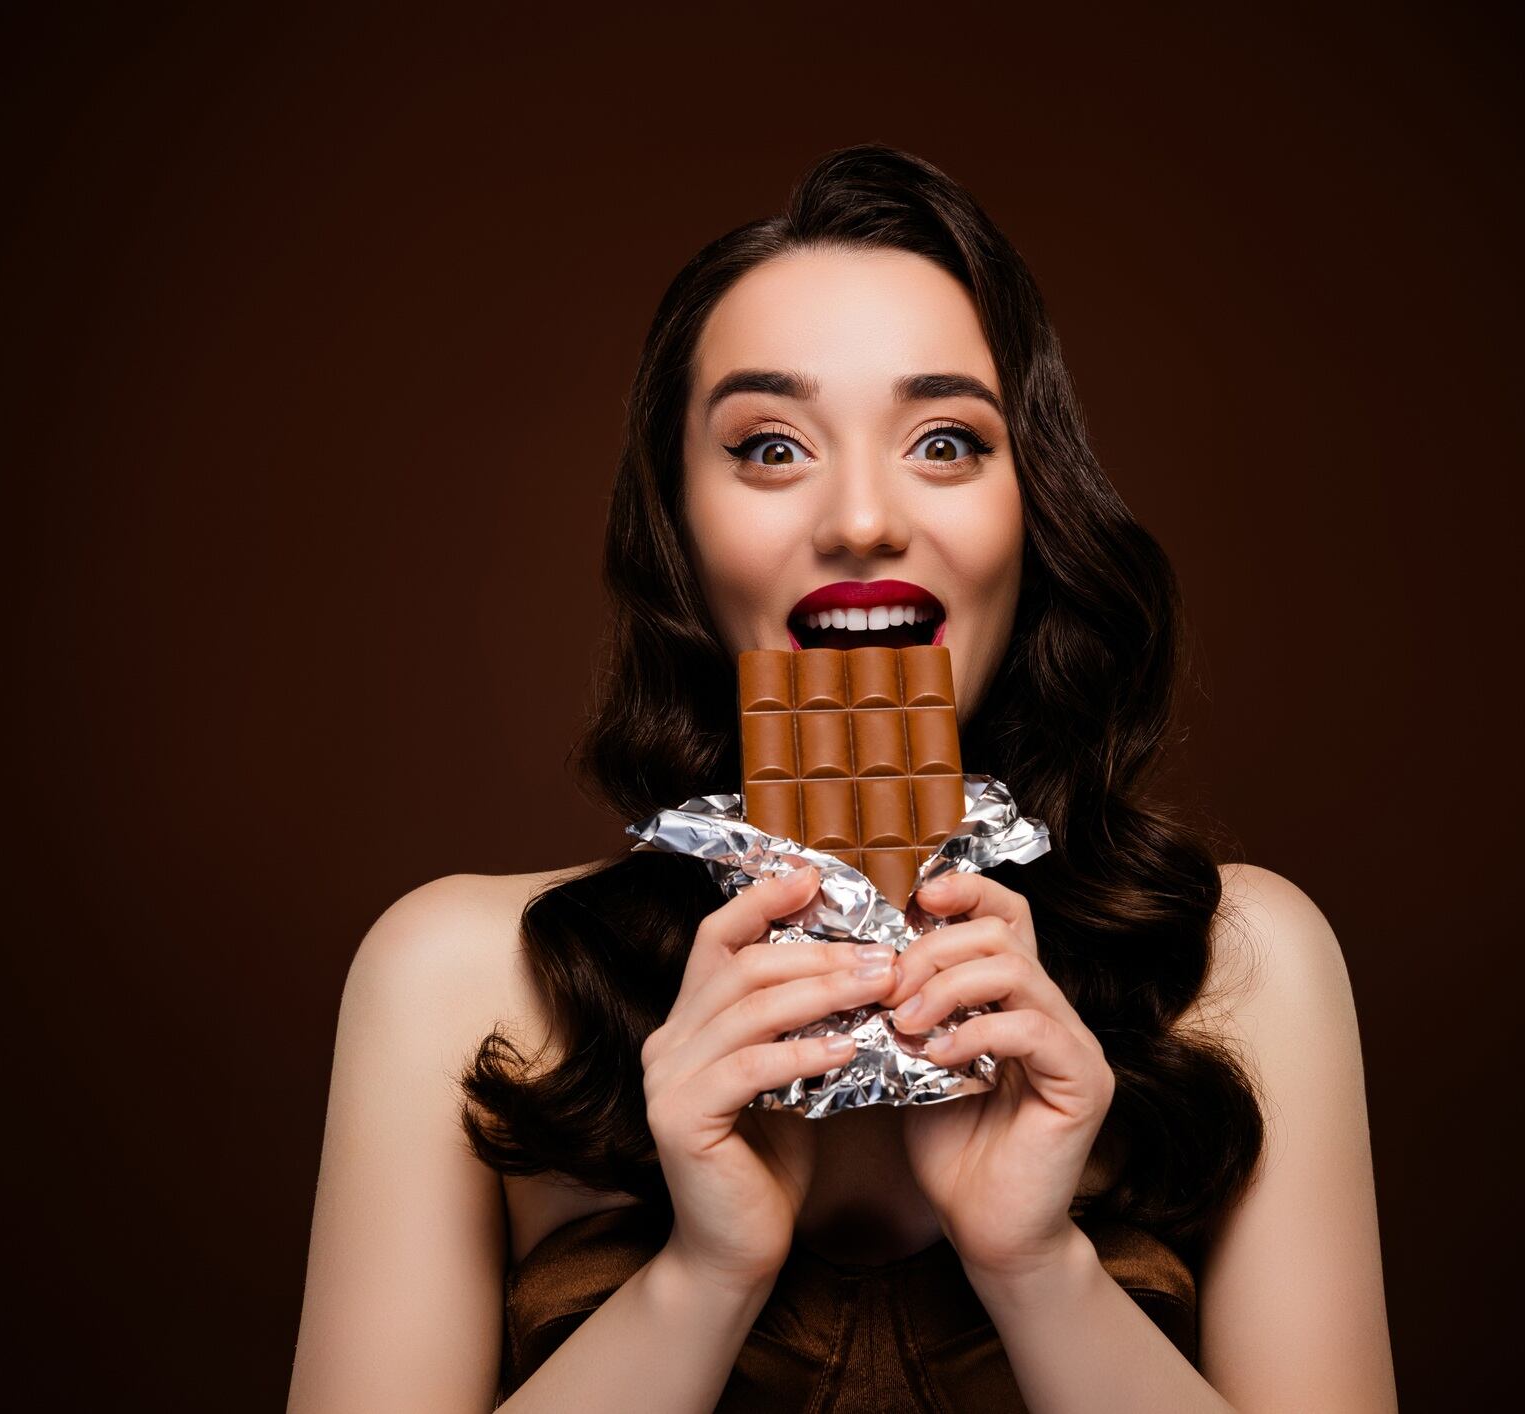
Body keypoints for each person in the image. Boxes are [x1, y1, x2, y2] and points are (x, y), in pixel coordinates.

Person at [287, 144, 1396, 1413]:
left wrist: (1039, 1268)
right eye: (769, 446)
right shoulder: (454, 979)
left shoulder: (1244, 969)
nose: (862, 519)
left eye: (944, 439)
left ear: (1034, 514)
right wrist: (701, 1276)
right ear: (680, 530)